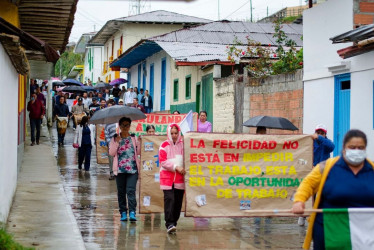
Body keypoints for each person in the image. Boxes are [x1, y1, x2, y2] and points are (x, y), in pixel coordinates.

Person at [291, 129, 374, 250]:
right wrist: (299, 201)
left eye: (360, 148)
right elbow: (307, 184)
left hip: (365, 236)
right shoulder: (327, 167)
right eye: (352, 147)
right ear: (344, 148)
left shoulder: (372, 169)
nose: (356, 151)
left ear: (365, 149)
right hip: (329, 233)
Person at [298, 124, 336, 227]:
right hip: (312, 172)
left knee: (324, 194)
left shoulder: (327, 144)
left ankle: (321, 215)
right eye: (318, 133)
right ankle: (304, 215)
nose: (319, 135)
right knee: (310, 194)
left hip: (324, 173)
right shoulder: (310, 143)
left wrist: (319, 138)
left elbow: (332, 147)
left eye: (322, 133)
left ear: (325, 134)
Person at [109, 117, 140, 221]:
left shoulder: (134, 138)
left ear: (130, 126)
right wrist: (117, 142)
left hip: (133, 170)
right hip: (120, 170)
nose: (125, 127)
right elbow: (111, 153)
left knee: (131, 191)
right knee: (121, 192)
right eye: (123, 125)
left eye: (127, 125)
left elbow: (139, 152)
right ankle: (123, 212)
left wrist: (140, 142)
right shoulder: (115, 138)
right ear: (120, 126)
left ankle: (132, 212)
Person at [159, 123, 185, 234]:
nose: (174, 135)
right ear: (169, 133)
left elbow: (187, 158)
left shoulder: (183, 145)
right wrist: (176, 167)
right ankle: (169, 223)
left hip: (180, 179)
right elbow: (163, 161)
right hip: (167, 179)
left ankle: (174, 223)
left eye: (176, 133)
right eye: (172, 133)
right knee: (169, 199)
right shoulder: (164, 145)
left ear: (179, 133)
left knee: (178, 202)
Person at [105, 102, 117, 180]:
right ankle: (112, 173)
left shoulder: (120, 123)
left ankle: (118, 173)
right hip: (111, 144)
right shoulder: (108, 124)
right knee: (111, 160)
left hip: (120, 144)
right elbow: (106, 135)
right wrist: (110, 144)